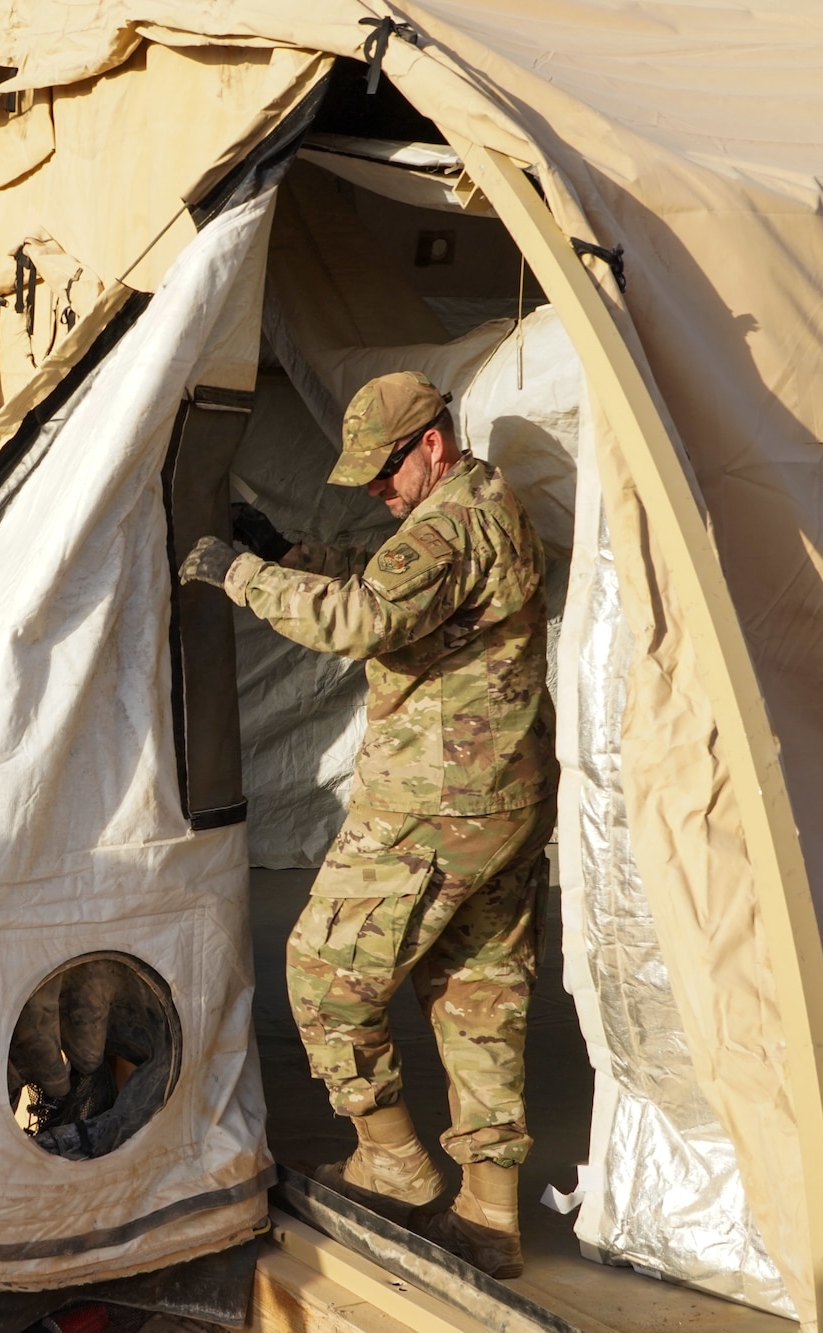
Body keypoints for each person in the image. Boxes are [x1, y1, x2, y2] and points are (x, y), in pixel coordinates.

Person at [181, 371, 555, 1279]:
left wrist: (236, 573)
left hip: (438, 798)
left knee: (321, 971)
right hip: (503, 792)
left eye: (387, 473)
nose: (381, 493)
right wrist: (281, 549)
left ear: (433, 441)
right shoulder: (479, 505)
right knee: (480, 994)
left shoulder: (446, 522)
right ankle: (489, 1217)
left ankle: (389, 1154)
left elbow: (362, 615)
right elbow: (387, 584)